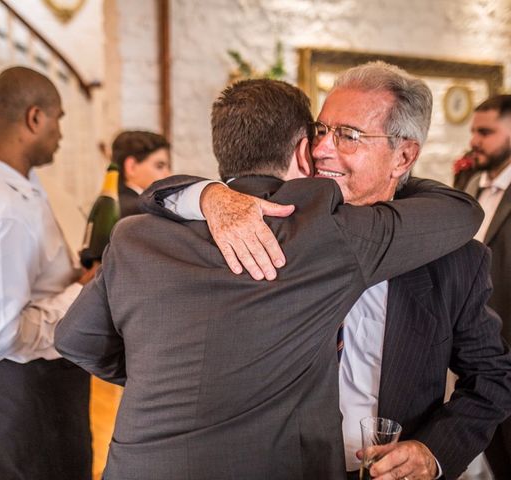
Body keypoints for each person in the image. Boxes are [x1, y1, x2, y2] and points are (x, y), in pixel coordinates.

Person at [56, 78, 483, 480]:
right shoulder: (327, 234)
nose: (326, 151)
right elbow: (462, 211)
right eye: (321, 135)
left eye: (347, 135)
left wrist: (167, 372)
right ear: (303, 151)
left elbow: (75, 339)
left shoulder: (135, 235)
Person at [0, 67, 92, 480]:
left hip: (34, 392)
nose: (60, 134)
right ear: (34, 118)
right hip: (29, 403)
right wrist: (82, 292)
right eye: (59, 119)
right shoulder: (0, 208)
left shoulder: (12, 182)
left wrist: (68, 274)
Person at [465, 94, 511, 478]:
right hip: (467, 338)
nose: (474, 141)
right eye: (473, 131)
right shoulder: (465, 181)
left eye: (486, 132)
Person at [110, 130, 171, 217]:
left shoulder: (108, 205)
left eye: (168, 167)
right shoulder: (141, 210)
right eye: (159, 166)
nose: (168, 175)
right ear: (131, 167)